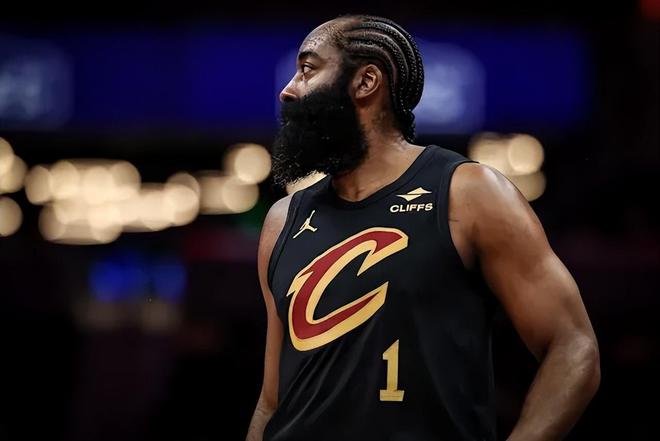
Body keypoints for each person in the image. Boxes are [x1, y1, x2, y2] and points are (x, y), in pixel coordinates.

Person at [247, 14, 600, 441]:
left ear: (366, 82)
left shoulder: (468, 191)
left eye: (307, 69)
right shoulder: (282, 219)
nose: (288, 90)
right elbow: (271, 402)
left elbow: (573, 347)